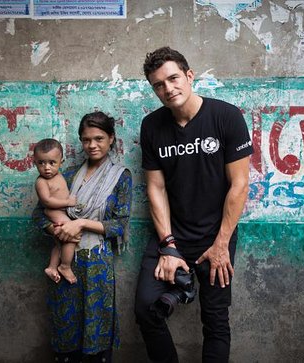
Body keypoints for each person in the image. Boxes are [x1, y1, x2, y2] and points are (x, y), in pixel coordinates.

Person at [134, 46, 254, 363]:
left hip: (217, 237)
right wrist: (169, 245)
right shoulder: (152, 126)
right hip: (171, 236)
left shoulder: (226, 117)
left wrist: (221, 245)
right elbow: (156, 187)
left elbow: (239, 185)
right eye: (158, 84)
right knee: (147, 308)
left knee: (215, 320)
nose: (168, 88)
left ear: (189, 76)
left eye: (173, 78)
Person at [32, 111, 133, 363]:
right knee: (67, 333)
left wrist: (81, 224)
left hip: (97, 265)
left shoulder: (121, 177)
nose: (92, 145)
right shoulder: (65, 176)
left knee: (96, 334)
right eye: (86, 139)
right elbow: (39, 215)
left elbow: (119, 226)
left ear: (111, 139)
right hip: (66, 265)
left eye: (99, 138)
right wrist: (56, 230)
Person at [33, 138, 77, 284]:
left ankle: (52, 267)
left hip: (62, 211)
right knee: (71, 236)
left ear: (61, 163)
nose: (47, 168)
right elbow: (46, 201)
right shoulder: (41, 181)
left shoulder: (59, 175)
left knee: (59, 244)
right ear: (35, 162)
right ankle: (65, 266)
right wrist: (68, 202)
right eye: (41, 163)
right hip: (53, 212)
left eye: (52, 163)